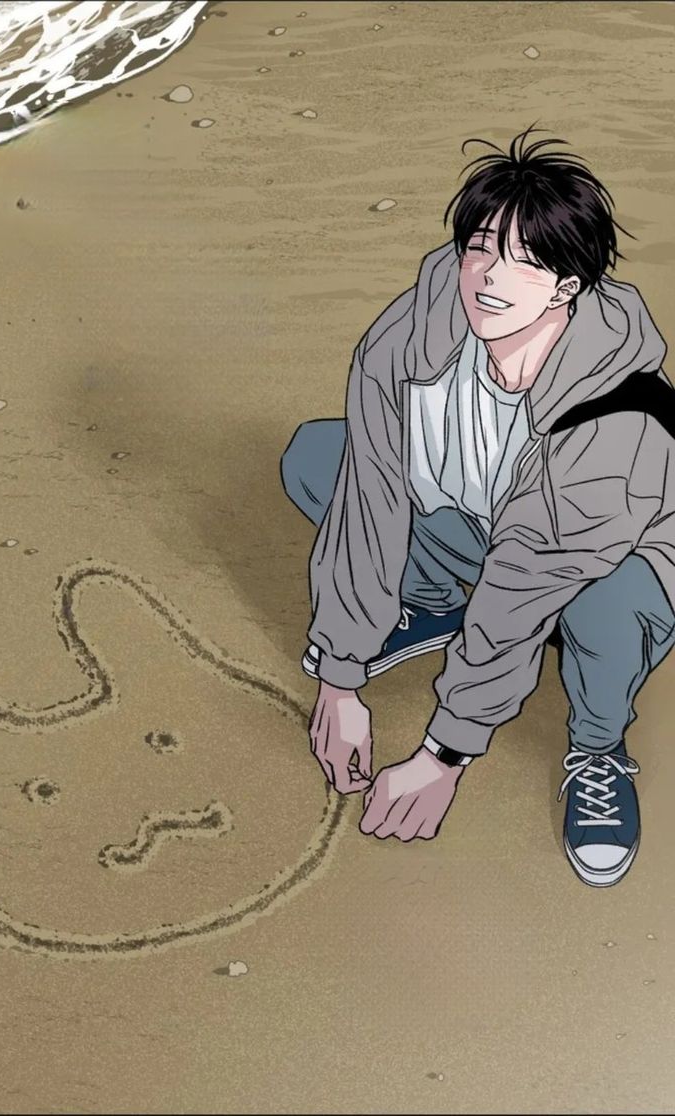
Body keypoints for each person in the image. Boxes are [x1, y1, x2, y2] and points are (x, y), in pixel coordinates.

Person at [279, 124, 675, 888]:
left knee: (606, 607)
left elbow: (524, 587)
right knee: (320, 458)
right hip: (484, 527)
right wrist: (341, 674)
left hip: (615, 565)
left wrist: (443, 756)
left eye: (529, 261)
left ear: (568, 286)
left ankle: (598, 749)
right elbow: (370, 497)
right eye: (482, 248)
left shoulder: (615, 414)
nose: (491, 277)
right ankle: (429, 603)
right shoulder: (415, 331)